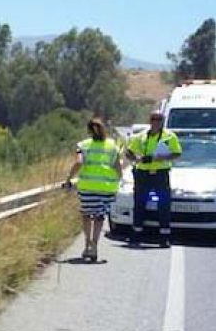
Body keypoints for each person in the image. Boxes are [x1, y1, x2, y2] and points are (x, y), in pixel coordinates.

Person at [64, 117, 122, 261]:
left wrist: (68, 179)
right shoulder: (112, 146)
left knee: (86, 215)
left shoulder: (83, 145)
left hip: (88, 187)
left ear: (89, 130)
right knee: (99, 217)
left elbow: (78, 163)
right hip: (107, 187)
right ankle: (94, 245)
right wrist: (119, 180)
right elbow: (117, 166)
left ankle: (87, 244)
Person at [125, 110, 182, 247]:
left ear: (163, 121)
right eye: (153, 119)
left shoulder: (169, 136)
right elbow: (129, 152)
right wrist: (136, 158)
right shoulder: (141, 136)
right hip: (143, 174)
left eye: (159, 119)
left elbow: (177, 154)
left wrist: (161, 157)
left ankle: (164, 237)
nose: (156, 122)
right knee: (139, 204)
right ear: (149, 121)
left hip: (160, 173)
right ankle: (136, 234)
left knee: (163, 204)